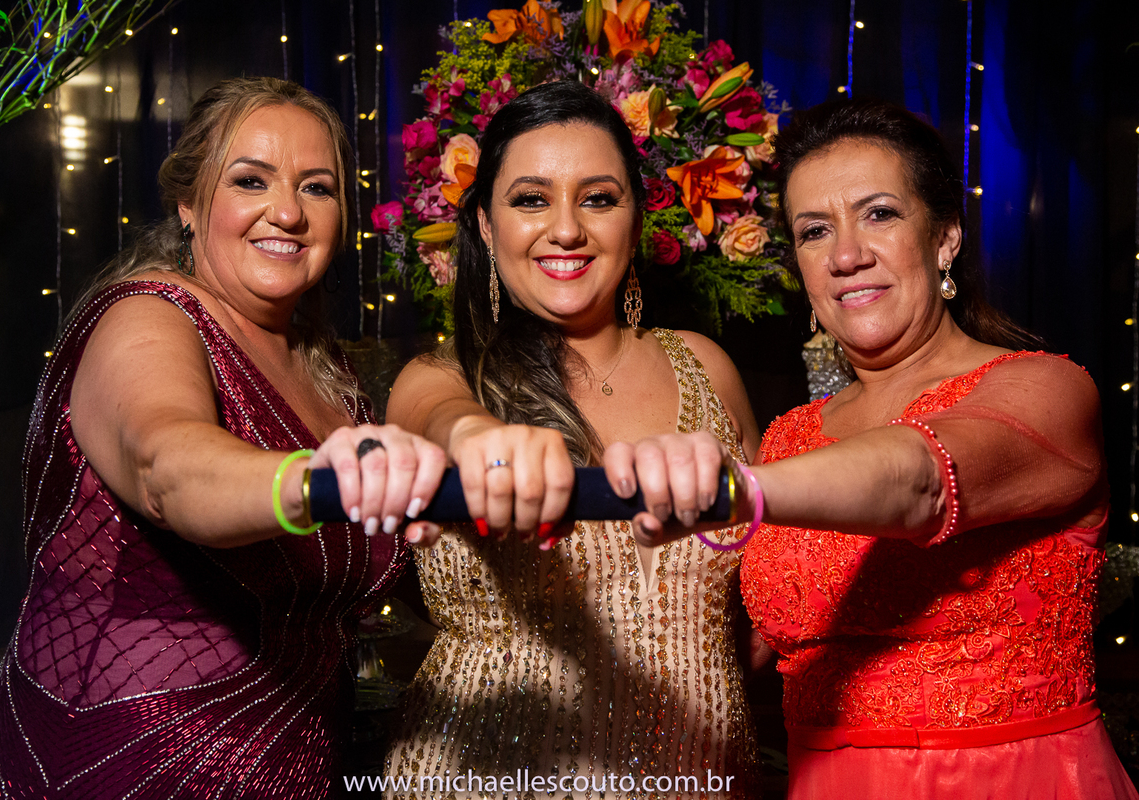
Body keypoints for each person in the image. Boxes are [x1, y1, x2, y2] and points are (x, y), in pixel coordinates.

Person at [606, 97, 1138, 799]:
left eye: (879, 214)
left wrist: (735, 490)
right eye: (815, 231)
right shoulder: (790, 435)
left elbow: (921, 480)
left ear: (945, 236)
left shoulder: (1048, 389)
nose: (847, 255)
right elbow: (740, 648)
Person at [0, 77, 446, 799]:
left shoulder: (327, 371)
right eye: (251, 180)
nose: (287, 211)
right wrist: (319, 482)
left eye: (317, 188)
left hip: (299, 770)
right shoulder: (148, 315)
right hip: (123, 771)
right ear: (188, 204)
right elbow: (168, 468)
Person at [382, 81, 763, 797]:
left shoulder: (706, 367)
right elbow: (446, 422)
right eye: (530, 199)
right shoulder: (441, 379)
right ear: (488, 229)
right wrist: (483, 442)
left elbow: (779, 587)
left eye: (598, 198)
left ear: (636, 220)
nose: (566, 229)